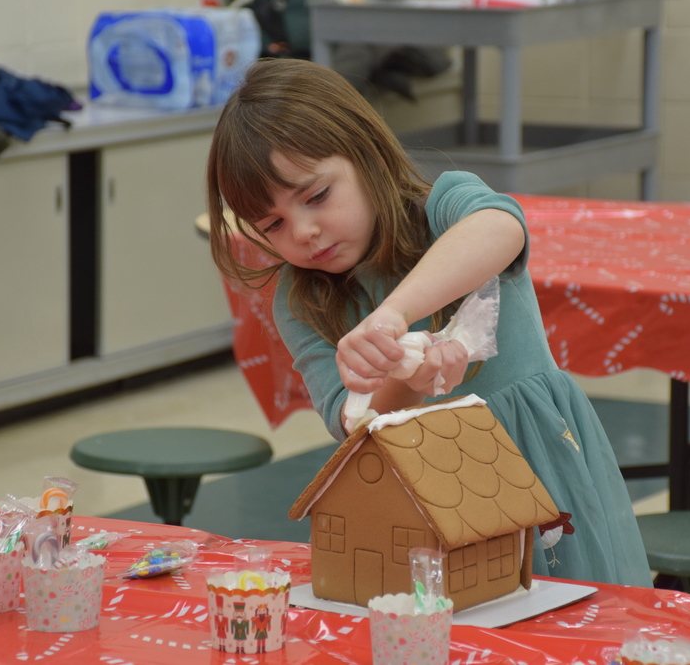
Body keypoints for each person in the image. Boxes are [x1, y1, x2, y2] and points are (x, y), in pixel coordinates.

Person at [206, 57, 652, 588]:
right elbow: (356, 427)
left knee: (565, 617)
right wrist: (407, 383)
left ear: (365, 152)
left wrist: (393, 314)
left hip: (537, 464)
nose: (304, 232)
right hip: (421, 495)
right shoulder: (300, 301)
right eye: (273, 224)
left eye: (317, 196)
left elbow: (501, 228)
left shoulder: (440, 209)